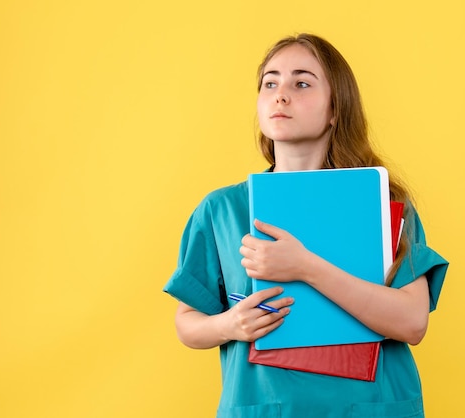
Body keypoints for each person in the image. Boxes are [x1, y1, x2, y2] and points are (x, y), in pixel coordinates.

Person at [164, 33, 448, 418]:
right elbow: (187, 323)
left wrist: (305, 267)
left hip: (372, 407)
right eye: (270, 82)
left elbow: (413, 323)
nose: (280, 95)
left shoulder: (384, 205)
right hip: (265, 407)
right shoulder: (222, 210)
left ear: (335, 109)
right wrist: (230, 325)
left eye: (301, 83)